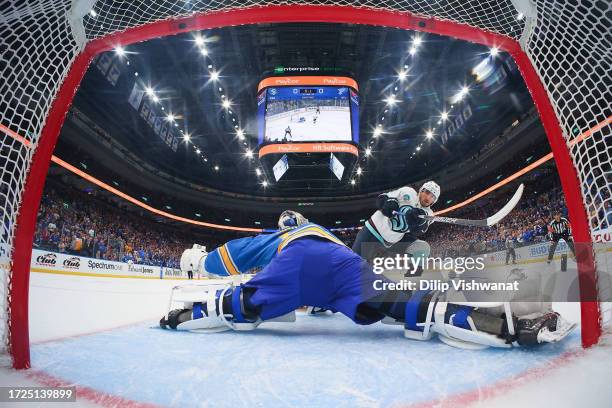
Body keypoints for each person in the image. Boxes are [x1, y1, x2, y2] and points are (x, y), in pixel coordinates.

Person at [161, 212, 575, 349]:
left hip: (299, 266)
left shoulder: (286, 236)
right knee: (411, 305)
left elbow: (233, 256)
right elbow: (322, 296)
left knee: (241, 308)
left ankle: (184, 315)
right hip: (342, 266)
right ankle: (506, 324)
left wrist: (203, 259)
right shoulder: (322, 231)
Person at [352, 181, 439, 271]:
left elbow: (420, 230)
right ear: (421, 190)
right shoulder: (408, 192)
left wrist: (418, 222)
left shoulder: (429, 214)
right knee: (354, 265)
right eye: (427, 192)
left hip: (392, 243)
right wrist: (389, 203)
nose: (428, 197)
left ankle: (413, 277)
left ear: (434, 201)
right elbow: (383, 197)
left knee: (422, 247)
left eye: (433, 197)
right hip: (372, 232)